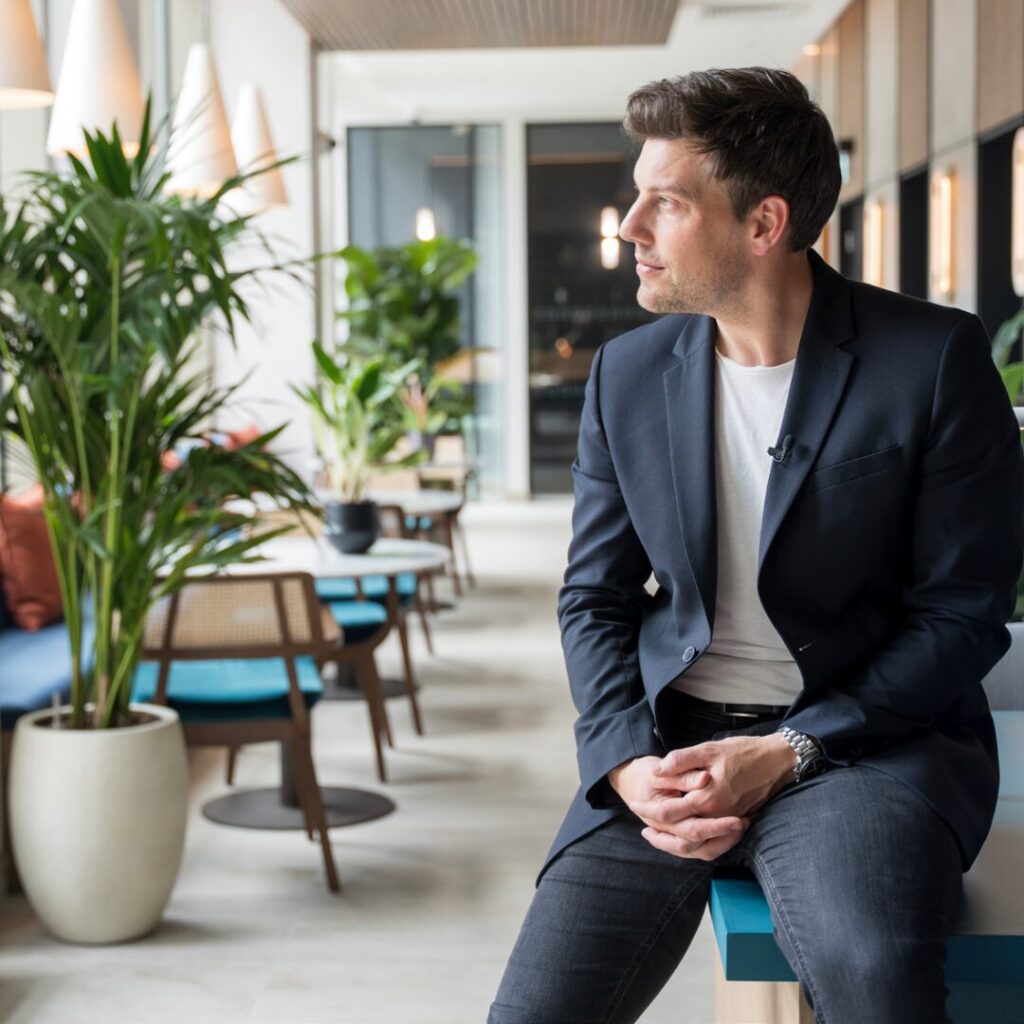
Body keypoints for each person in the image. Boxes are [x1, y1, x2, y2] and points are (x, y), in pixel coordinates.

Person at [488, 67, 1024, 1024]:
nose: (630, 228)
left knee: (877, 981)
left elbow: (963, 616)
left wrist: (792, 747)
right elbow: (595, 599)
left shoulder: (934, 361)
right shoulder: (628, 373)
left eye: (666, 203)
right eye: (636, 195)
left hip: (867, 746)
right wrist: (622, 762)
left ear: (764, 224)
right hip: (670, 748)